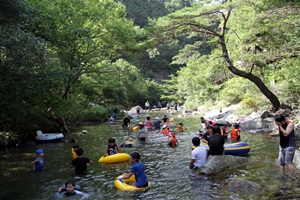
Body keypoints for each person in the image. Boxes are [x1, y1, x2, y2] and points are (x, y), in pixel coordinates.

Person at [269, 114, 296, 179]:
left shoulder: (290, 124)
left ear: (283, 121)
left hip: (289, 146)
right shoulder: (280, 125)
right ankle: (282, 175)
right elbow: (279, 133)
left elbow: (286, 134)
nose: (277, 124)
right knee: (281, 162)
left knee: (288, 162)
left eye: (277, 123)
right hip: (282, 145)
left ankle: (294, 177)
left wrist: (280, 126)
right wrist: (273, 135)